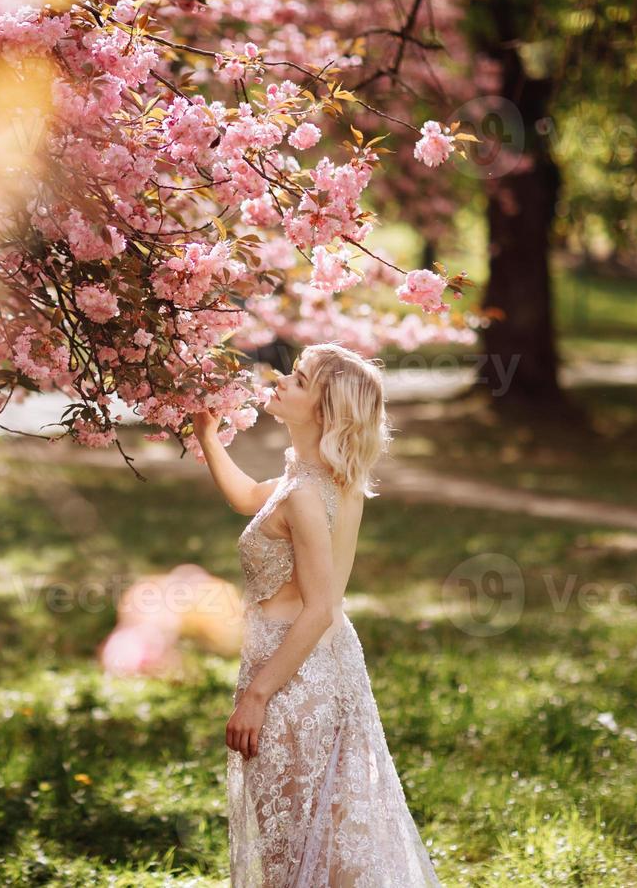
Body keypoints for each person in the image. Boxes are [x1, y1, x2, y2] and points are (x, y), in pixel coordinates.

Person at [192, 342, 441, 887]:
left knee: (296, 846)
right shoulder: (316, 478)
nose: (282, 380)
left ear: (325, 411)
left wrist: (258, 694)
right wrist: (208, 436)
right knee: (324, 833)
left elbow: (321, 608)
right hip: (321, 667)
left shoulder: (307, 492)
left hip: (294, 674)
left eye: (300, 379)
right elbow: (247, 498)